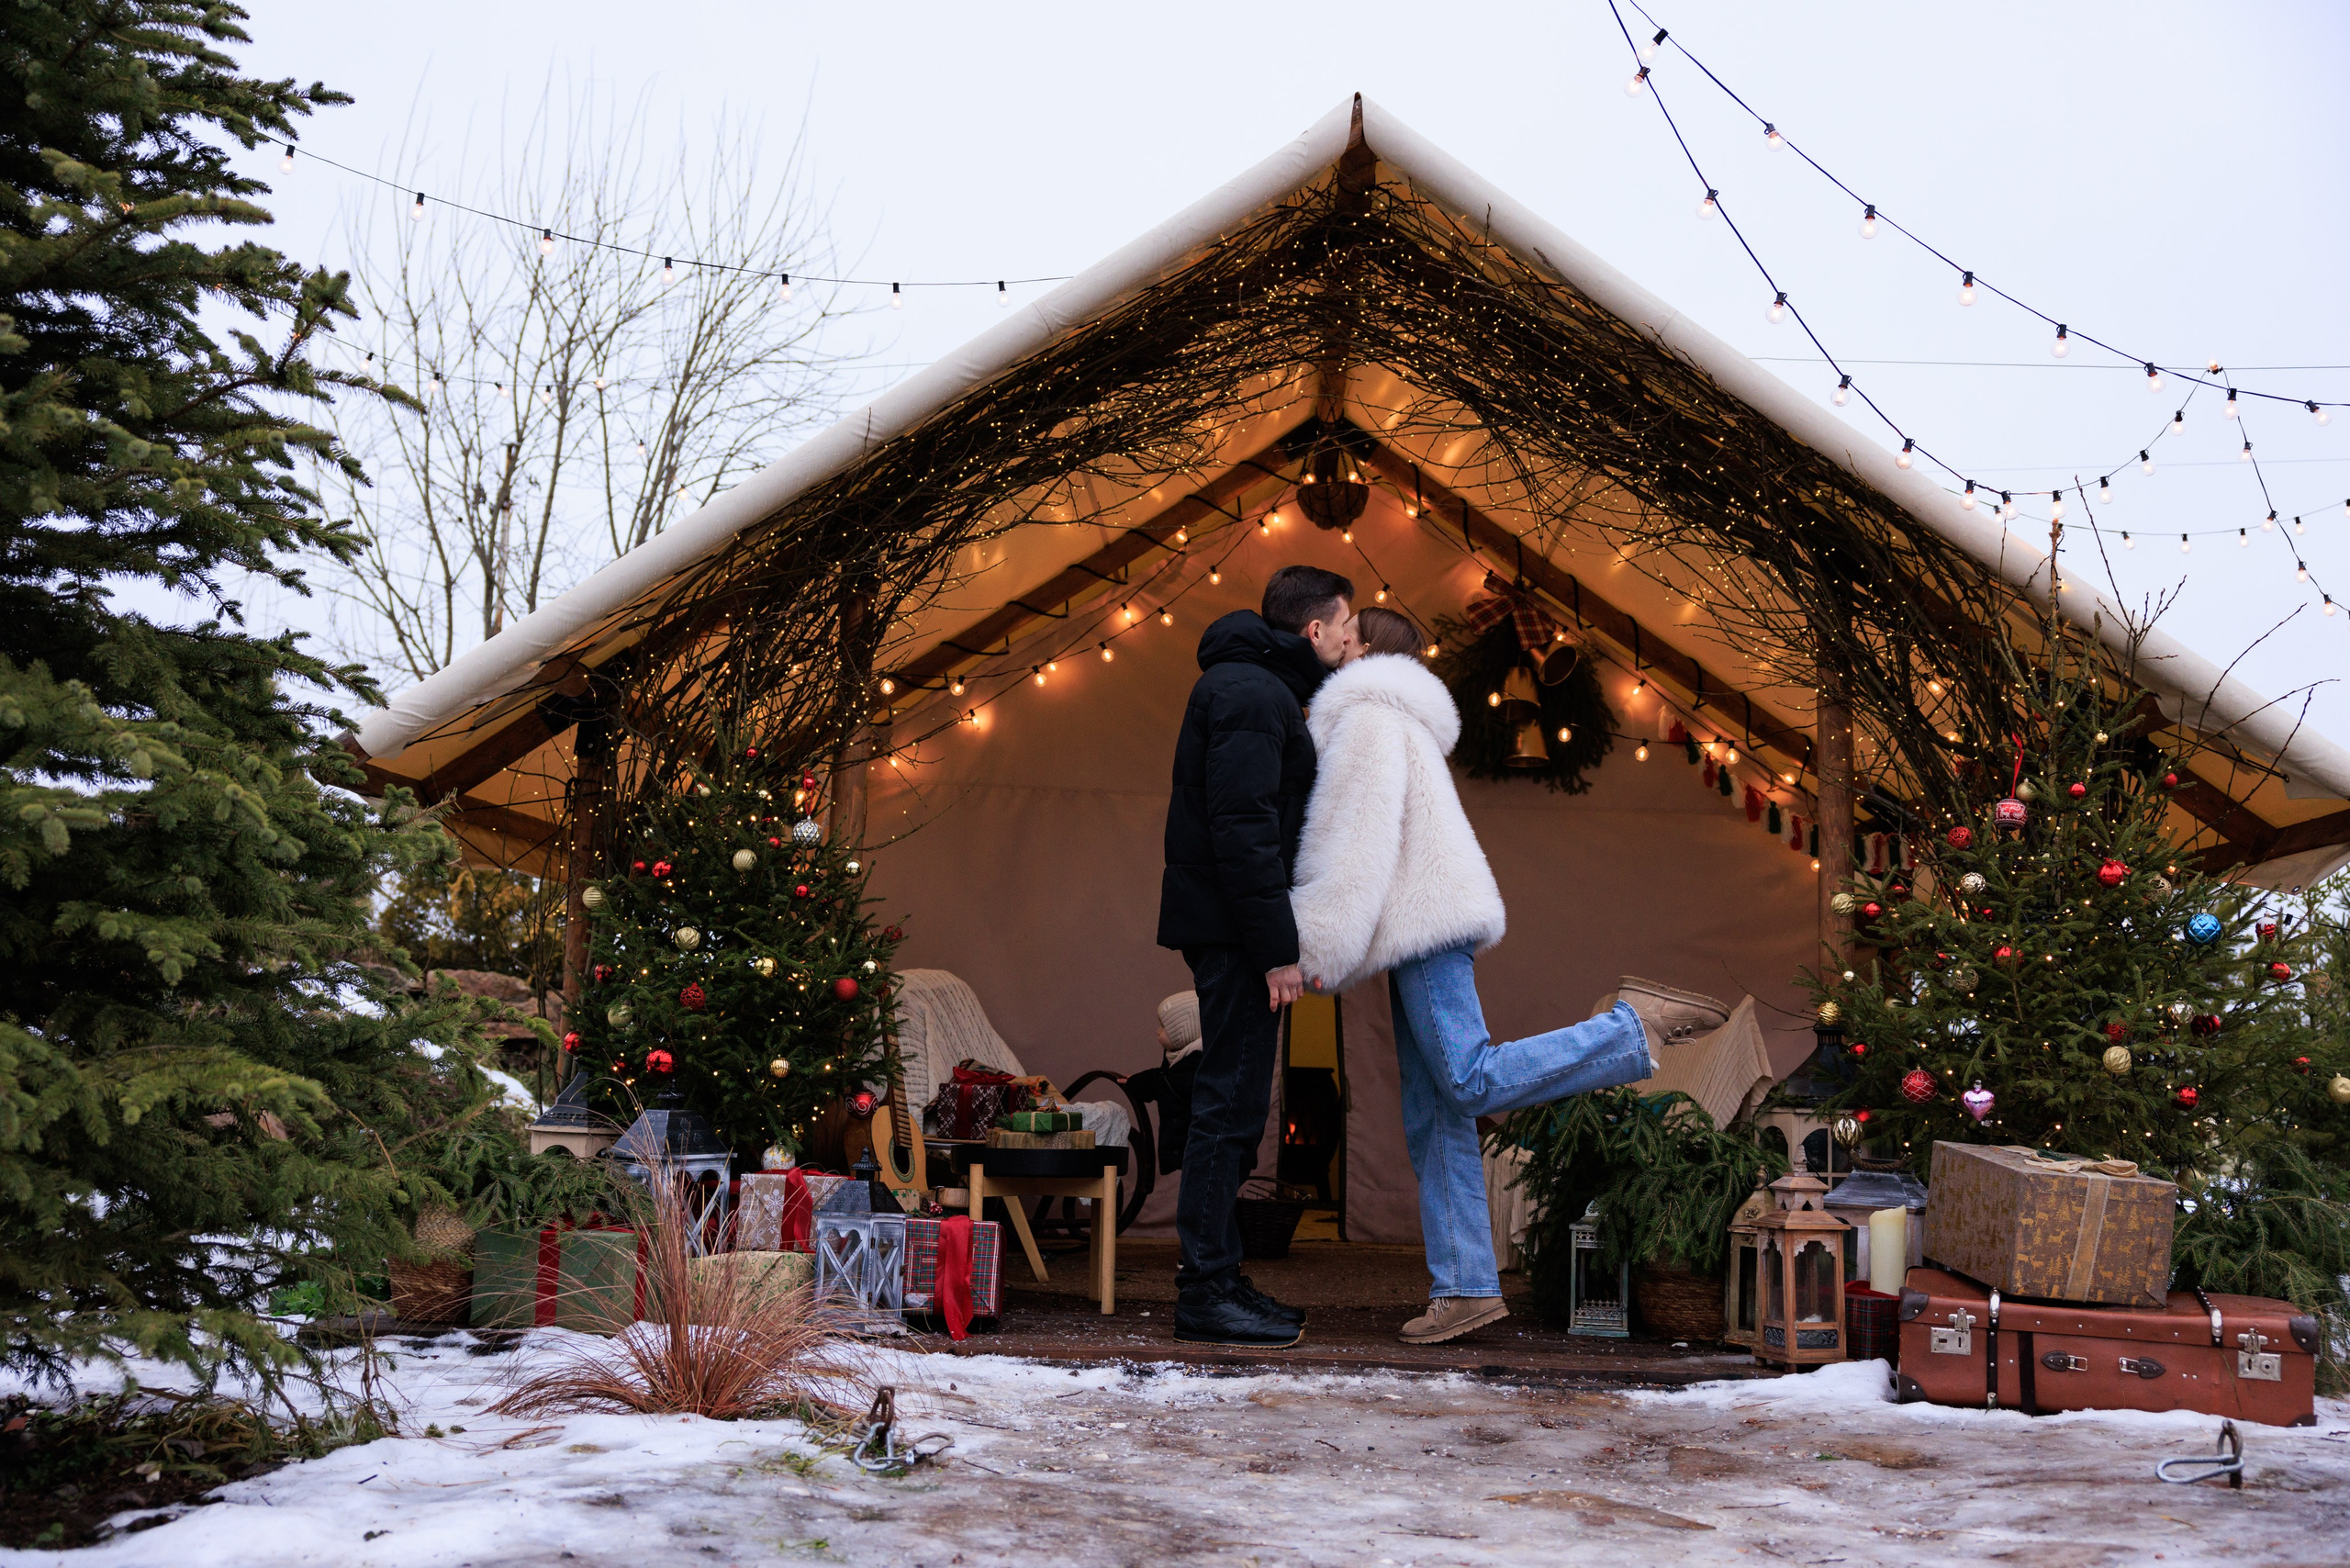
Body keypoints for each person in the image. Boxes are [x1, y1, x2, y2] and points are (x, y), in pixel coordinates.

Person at [1289, 606, 1655, 1345]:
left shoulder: (1366, 718)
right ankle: (1463, 1288)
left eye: (1350, 632)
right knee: (1437, 1118)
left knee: (1466, 1080)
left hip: (1425, 927)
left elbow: (1355, 845)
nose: (1336, 641)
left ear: (1367, 650)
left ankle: (1627, 1030)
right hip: (1425, 925)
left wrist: (1314, 950)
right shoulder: (1399, 718)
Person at [1157, 565, 1357, 1348]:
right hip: (1238, 934)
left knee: (1237, 1109)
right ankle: (1205, 1292)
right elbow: (1243, 832)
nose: (1350, 638)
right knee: (1228, 1109)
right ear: (1314, 631)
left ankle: (1221, 1276)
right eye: (1345, 625)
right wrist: (1278, 952)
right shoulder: (1250, 694)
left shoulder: (1259, 690)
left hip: (1235, 929)